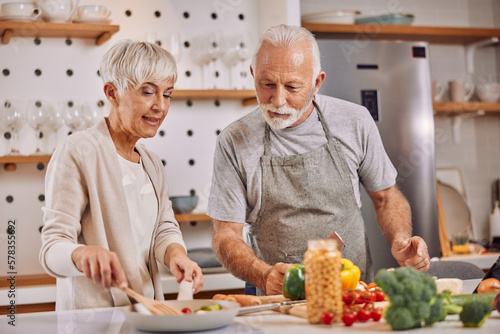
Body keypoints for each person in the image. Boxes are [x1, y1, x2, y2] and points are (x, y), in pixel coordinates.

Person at [208, 24, 430, 296]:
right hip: (275, 298)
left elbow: (386, 198)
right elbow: (225, 236)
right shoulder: (234, 141)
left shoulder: (354, 121)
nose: (278, 100)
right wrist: (263, 274)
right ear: (253, 74)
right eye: (267, 84)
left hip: (351, 292)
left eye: (292, 87)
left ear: (316, 83)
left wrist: (400, 239)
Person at [40, 40, 203, 310]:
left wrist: (177, 255)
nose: (160, 106)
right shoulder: (78, 152)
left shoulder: (151, 163)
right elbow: (52, 249)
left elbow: (164, 228)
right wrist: (82, 254)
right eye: (148, 92)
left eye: (168, 94)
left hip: (148, 314)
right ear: (112, 92)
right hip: (93, 321)